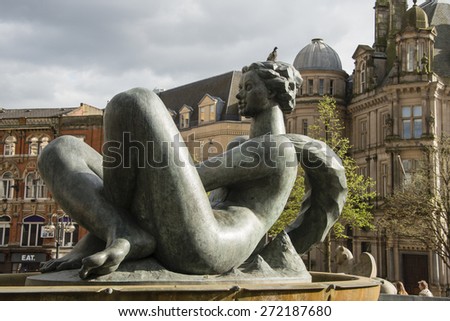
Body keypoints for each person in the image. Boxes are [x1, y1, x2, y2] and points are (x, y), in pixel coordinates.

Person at [38, 61, 346, 280]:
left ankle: (123, 232)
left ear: (274, 93)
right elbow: (178, 187)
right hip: (194, 227)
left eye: (248, 87)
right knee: (60, 149)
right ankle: (120, 231)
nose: (239, 95)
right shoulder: (246, 143)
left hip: (212, 245)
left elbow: (193, 180)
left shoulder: (274, 148)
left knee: (134, 101)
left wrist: (143, 158)